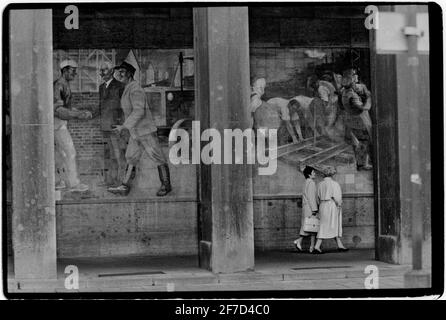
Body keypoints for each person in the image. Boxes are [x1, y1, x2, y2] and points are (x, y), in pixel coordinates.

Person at [107, 61, 172, 197]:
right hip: (136, 132)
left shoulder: (135, 88)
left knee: (157, 157)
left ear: (130, 74)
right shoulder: (128, 87)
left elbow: (139, 111)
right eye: (119, 72)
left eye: (123, 72)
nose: (120, 74)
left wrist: (124, 126)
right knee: (131, 157)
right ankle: (125, 186)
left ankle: (166, 185)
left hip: (145, 131)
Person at [53, 59, 91, 192]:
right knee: (70, 152)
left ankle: (60, 181)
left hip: (58, 123)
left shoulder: (64, 84)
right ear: (64, 71)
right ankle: (73, 184)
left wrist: (78, 112)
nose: (75, 74)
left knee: (60, 154)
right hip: (57, 124)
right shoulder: (59, 85)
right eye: (73, 71)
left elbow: (66, 108)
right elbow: (58, 110)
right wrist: (77, 114)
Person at [91, 61, 126, 186]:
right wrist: (91, 114)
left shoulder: (120, 86)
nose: (101, 73)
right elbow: (101, 106)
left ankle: (121, 181)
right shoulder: (101, 87)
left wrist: (121, 124)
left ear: (111, 71)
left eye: (104, 70)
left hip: (115, 126)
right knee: (110, 154)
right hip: (105, 126)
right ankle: (112, 179)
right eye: (100, 70)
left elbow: (125, 107)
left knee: (118, 154)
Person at [341, 68, 373, 170]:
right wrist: (369, 98)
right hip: (359, 120)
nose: (357, 77)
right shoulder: (351, 95)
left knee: (357, 143)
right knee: (364, 142)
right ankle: (363, 164)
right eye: (354, 76)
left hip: (351, 119)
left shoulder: (343, 90)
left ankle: (359, 163)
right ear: (351, 79)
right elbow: (364, 108)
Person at [313, 166, 348, 254]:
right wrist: (339, 204)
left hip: (322, 205)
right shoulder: (335, 184)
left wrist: (319, 205)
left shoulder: (320, 184)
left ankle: (340, 245)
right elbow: (338, 197)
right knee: (332, 224)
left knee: (325, 224)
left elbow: (316, 197)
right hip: (332, 205)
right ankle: (317, 246)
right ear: (332, 174)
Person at [293, 166, 318, 253]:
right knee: (312, 227)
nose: (315, 173)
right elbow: (312, 198)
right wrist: (314, 209)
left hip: (306, 207)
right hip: (310, 208)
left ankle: (300, 242)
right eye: (313, 172)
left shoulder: (306, 182)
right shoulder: (311, 183)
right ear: (309, 174)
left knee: (307, 226)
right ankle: (311, 247)